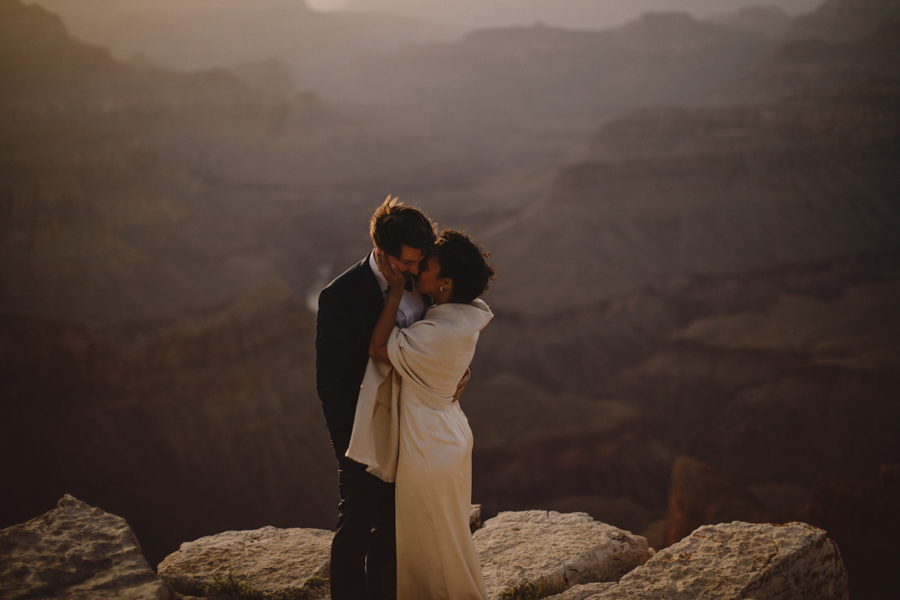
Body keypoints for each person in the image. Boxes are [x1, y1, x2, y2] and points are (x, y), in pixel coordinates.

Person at [316, 197, 467, 600]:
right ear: (382, 253)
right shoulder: (340, 296)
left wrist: (460, 371)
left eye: (421, 262)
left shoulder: (425, 286)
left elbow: (447, 336)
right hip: (364, 433)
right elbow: (330, 381)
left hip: (415, 428)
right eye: (407, 263)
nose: (416, 271)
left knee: (393, 529)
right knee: (357, 526)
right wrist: (349, 447)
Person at [347, 229, 495, 600]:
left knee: (428, 550)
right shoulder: (462, 316)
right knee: (445, 540)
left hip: (428, 445)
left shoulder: (437, 331)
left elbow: (379, 346)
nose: (416, 271)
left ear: (445, 282)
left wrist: (395, 291)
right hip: (449, 433)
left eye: (424, 266)